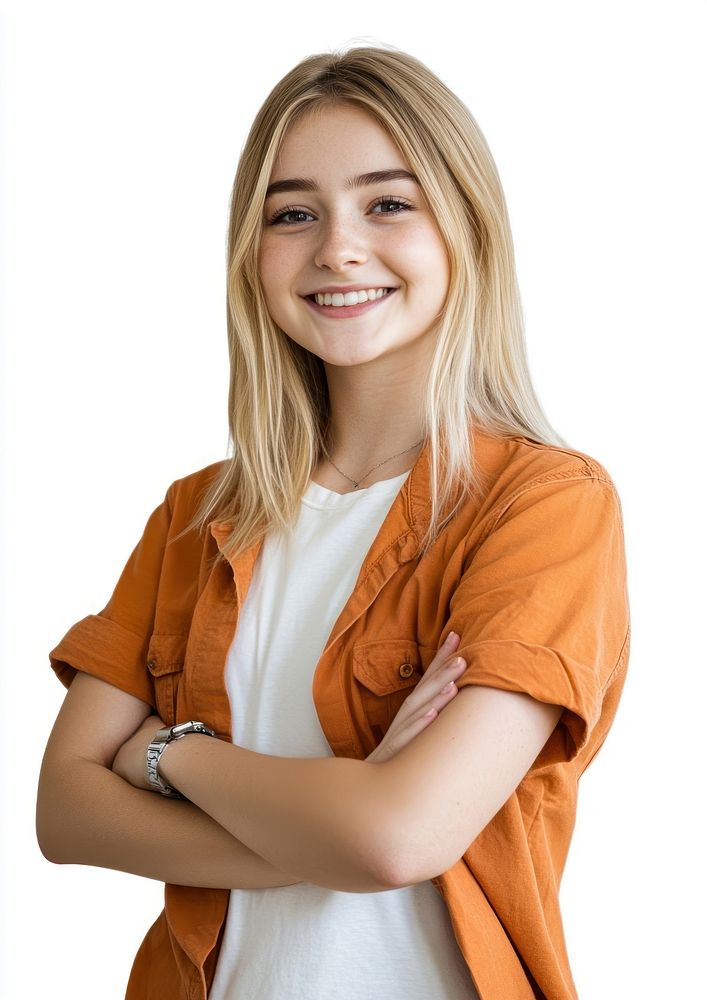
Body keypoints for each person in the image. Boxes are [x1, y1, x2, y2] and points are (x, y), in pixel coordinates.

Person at [35, 44, 630, 1000]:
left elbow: (399, 835)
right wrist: (324, 836)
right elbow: (62, 813)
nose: (337, 248)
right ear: (252, 251)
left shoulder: (545, 505)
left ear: (465, 229)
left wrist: (167, 754)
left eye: (387, 203)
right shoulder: (195, 516)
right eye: (293, 214)